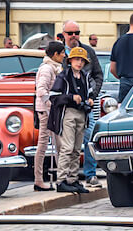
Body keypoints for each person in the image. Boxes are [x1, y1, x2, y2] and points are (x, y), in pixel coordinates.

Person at [62, 20, 103, 186]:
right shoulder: (59, 52)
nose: (74, 36)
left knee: (90, 138)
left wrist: (93, 93)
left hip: (88, 103)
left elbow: (98, 74)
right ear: (63, 34)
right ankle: (66, 177)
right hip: (68, 104)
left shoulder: (88, 51)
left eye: (76, 33)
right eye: (70, 33)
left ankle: (90, 174)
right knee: (68, 143)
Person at [48, 47, 93, 194]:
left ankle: (73, 179)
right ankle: (61, 180)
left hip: (81, 113)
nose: (79, 63)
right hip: (68, 112)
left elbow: (90, 93)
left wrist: (90, 100)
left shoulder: (85, 76)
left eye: (81, 60)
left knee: (76, 149)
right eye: (76, 60)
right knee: (67, 148)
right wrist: (71, 97)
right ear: (70, 61)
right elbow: (53, 96)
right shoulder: (64, 76)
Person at [34, 40, 65, 191]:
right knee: (44, 144)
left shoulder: (54, 67)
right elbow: (41, 90)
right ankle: (39, 179)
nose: (64, 56)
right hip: (46, 111)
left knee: (56, 142)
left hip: (50, 110)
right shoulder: (47, 68)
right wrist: (50, 105)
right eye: (62, 53)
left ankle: (61, 176)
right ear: (55, 54)